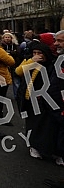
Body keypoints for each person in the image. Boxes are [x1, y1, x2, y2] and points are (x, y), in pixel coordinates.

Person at [15, 41, 57, 162]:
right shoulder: (29, 61)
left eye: (40, 53)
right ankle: (33, 146)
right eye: (35, 52)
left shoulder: (52, 64)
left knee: (47, 125)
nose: (37, 55)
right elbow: (18, 71)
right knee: (32, 123)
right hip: (31, 99)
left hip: (46, 99)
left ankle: (48, 147)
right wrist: (32, 61)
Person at [48, 30, 64, 166]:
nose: (56, 44)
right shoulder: (58, 58)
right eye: (55, 40)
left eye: (60, 41)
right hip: (56, 104)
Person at [1, 32, 22, 101]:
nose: (7, 39)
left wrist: (10, 53)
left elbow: (18, 53)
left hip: (14, 66)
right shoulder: (1, 46)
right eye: (5, 37)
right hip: (4, 67)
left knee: (16, 82)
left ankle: (17, 96)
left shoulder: (16, 45)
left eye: (8, 37)